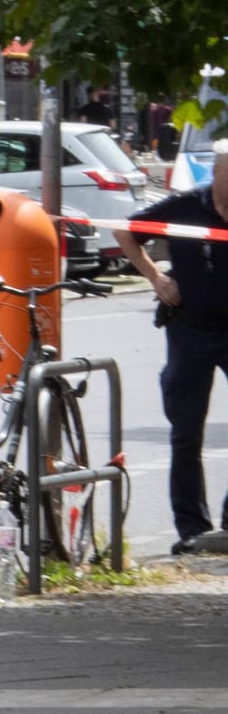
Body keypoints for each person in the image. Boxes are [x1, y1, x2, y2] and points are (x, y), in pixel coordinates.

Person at [115, 141, 228, 556]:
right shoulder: (184, 207)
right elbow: (124, 231)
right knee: (186, 433)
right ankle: (192, 528)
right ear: (216, 173)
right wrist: (156, 279)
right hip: (190, 329)